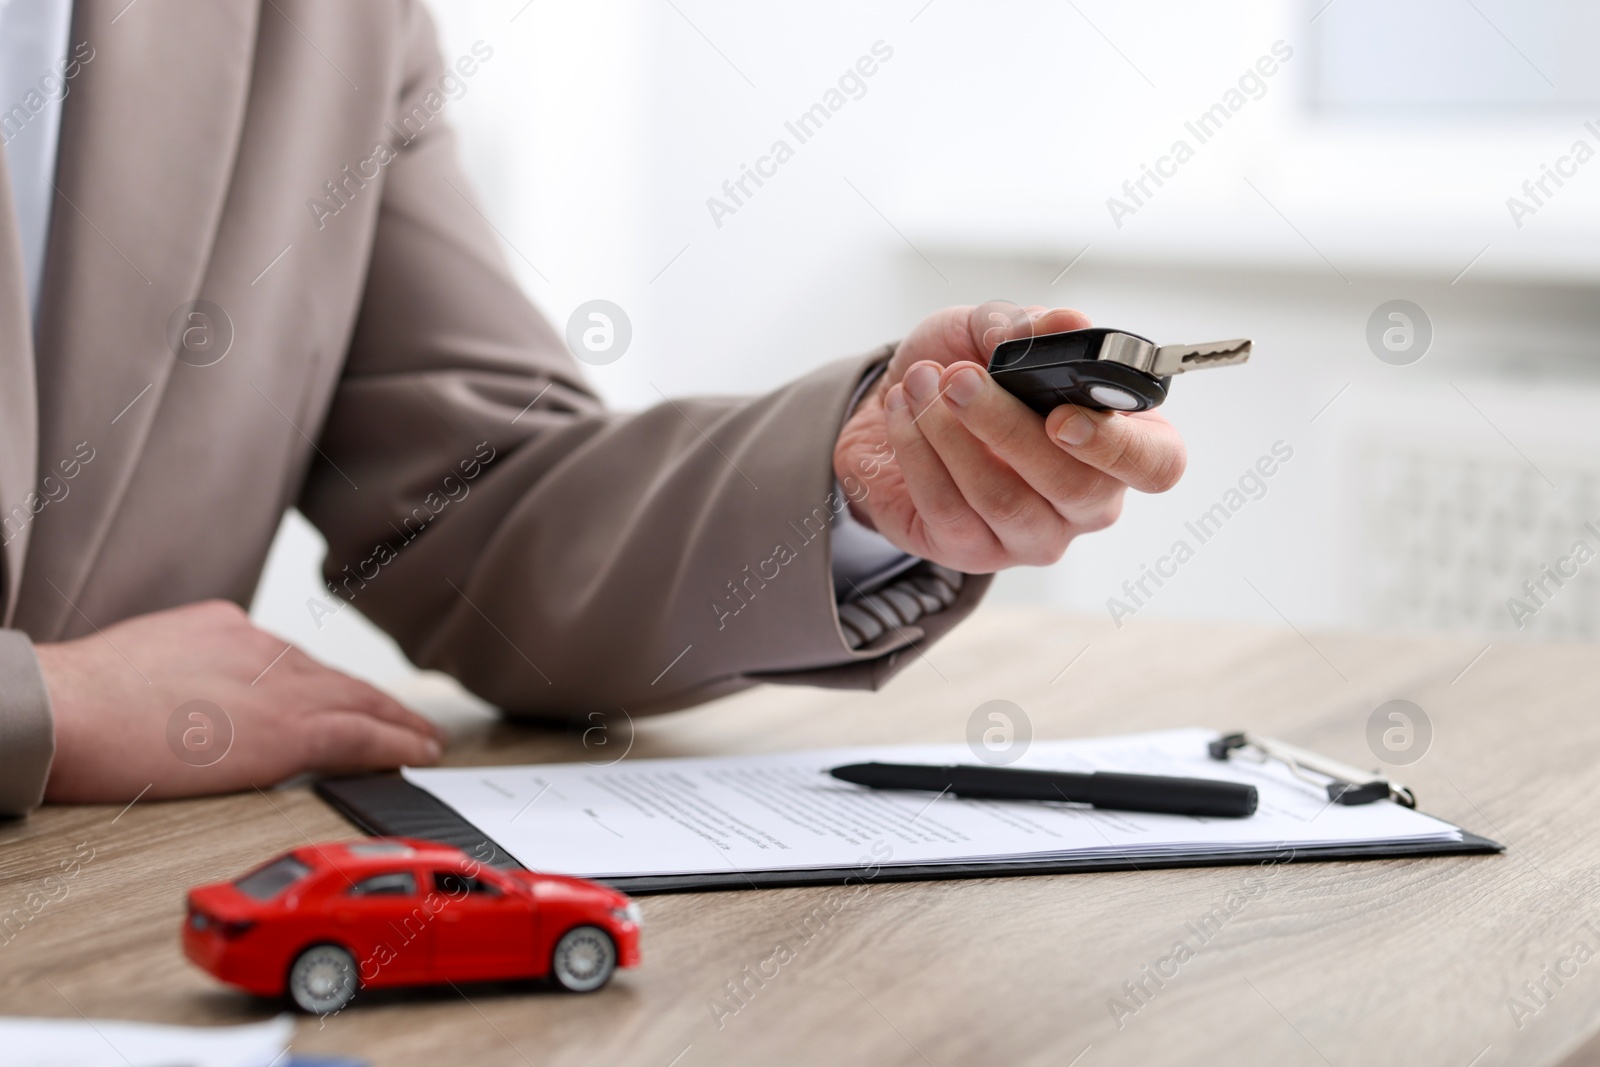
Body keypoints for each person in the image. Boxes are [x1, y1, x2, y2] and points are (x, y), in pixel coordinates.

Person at [0, 0, 1185, 816]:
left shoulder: (325, 23)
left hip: (123, 943)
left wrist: (855, 480)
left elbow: (481, 495)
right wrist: (43, 704)